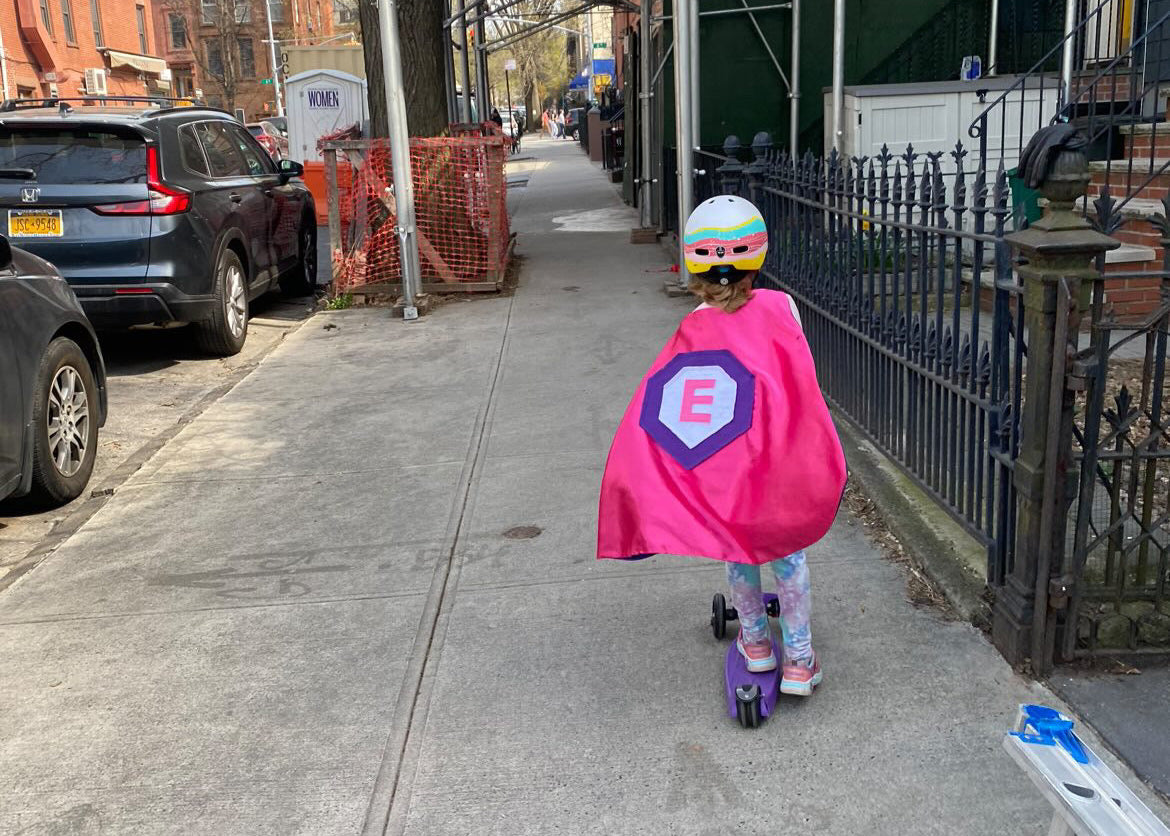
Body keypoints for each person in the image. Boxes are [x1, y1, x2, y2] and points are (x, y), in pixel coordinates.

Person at [597, 195, 846, 696]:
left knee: (739, 550)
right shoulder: (781, 307)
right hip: (776, 466)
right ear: (757, 254)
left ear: (694, 261)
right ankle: (800, 660)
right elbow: (799, 376)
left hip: (728, 476)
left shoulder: (693, 326)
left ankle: (755, 643)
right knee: (788, 556)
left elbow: (666, 403)